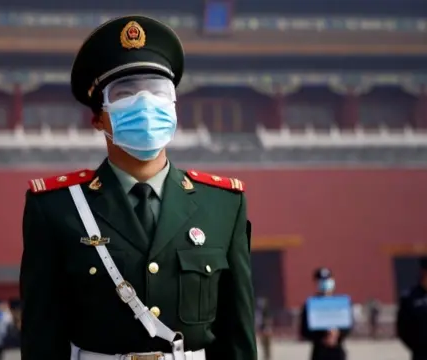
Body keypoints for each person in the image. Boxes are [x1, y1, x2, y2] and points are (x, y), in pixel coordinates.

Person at [20, 14, 256, 360]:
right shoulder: (57, 208)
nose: (146, 103)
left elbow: (237, 334)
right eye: (125, 93)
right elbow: (42, 336)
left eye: (158, 91)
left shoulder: (222, 204)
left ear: (174, 106)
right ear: (99, 117)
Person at [299, 267, 351, 360]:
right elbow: (304, 331)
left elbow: (348, 326)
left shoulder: (340, 304)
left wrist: (338, 335)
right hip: (319, 353)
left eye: (327, 280)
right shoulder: (310, 305)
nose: (325, 283)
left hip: (337, 352)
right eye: (321, 281)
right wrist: (321, 338)